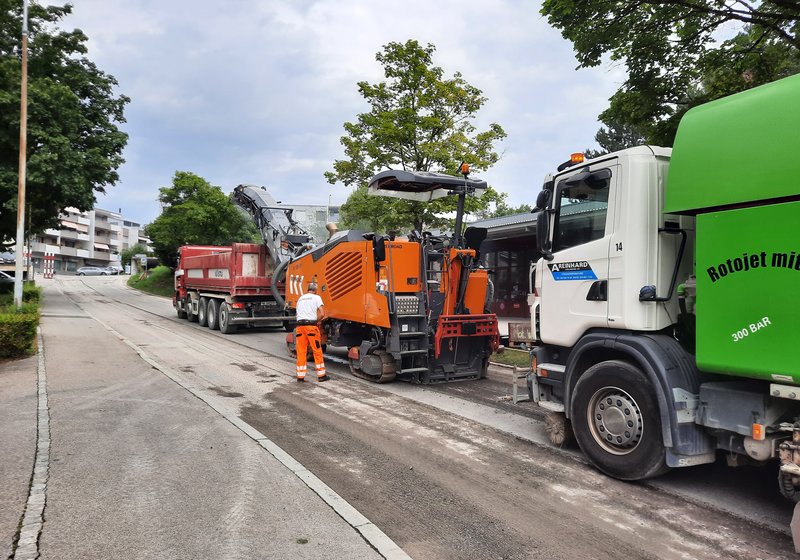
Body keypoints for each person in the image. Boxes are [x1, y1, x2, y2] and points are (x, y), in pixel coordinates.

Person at [294, 281, 328, 382]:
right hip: (311, 327)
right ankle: (321, 375)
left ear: (307, 289)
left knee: (301, 352)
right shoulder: (316, 297)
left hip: (300, 327)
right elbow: (322, 314)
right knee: (317, 350)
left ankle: (300, 376)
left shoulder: (300, 298)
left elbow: (298, 314)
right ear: (315, 290)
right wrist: (315, 320)